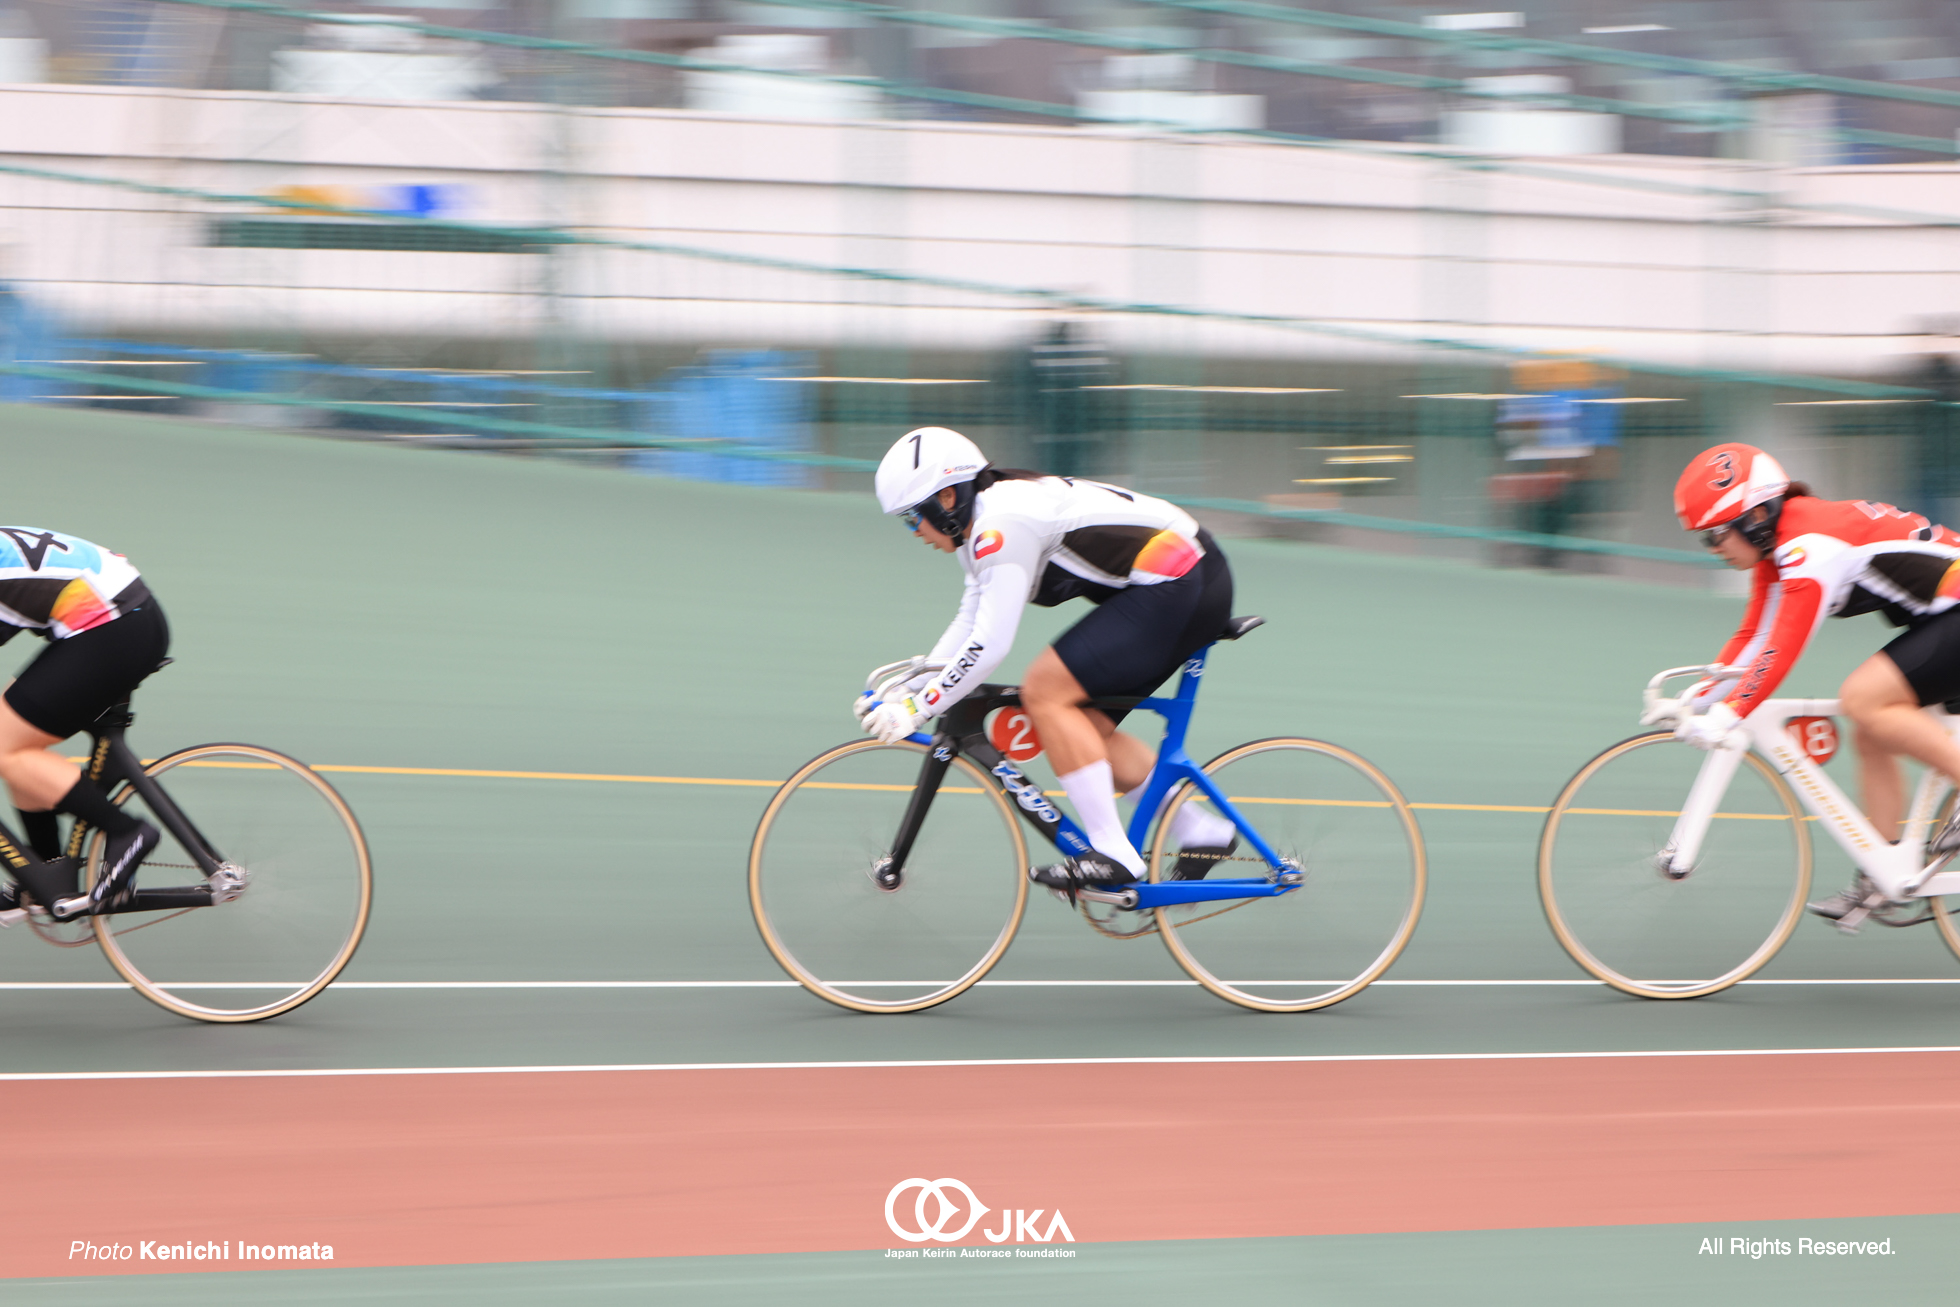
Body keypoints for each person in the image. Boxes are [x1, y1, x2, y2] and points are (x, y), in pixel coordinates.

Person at [860, 426, 1239, 893]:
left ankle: (1114, 855)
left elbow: (990, 644)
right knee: (1081, 727)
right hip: (1181, 582)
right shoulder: (983, 523)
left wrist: (919, 709)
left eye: (913, 517)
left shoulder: (1002, 525)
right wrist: (911, 688)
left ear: (949, 498)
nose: (914, 530)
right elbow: (971, 618)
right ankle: (1200, 831)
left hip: (1183, 581)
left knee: (1045, 690)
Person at [1673, 442, 1960, 919]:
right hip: (1944, 618)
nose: (1713, 548)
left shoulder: (1808, 544)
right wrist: (1701, 698)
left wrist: (1728, 712)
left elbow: (1783, 646)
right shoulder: (1778, 547)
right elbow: (1753, 637)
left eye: (1717, 535)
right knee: (1868, 727)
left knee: (1863, 698)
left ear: (1757, 515)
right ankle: (1886, 870)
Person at [0, 527, 165, 918]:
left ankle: (126, 830)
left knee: (5, 745)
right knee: (12, 735)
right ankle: (46, 871)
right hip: (121, 620)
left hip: (113, 627)